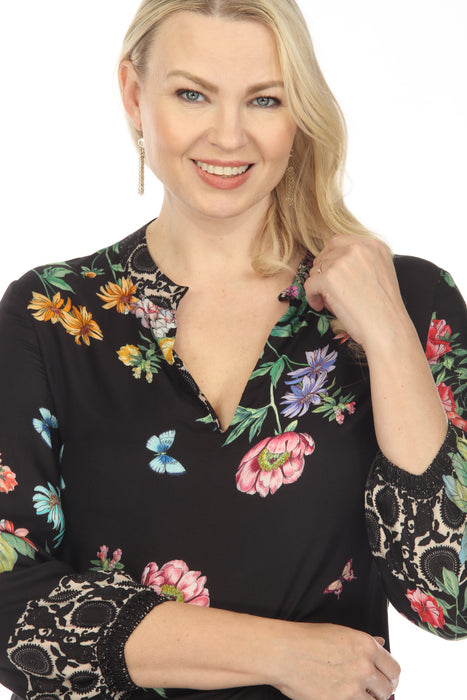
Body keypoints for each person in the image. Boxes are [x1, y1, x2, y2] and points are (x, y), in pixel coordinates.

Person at [0, 0, 466, 698]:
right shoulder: (53, 315)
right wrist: (282, 655)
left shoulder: (405, 299)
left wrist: (389, 334)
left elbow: (450, 597)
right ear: (133, 93)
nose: (227, 135)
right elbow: (10, 606)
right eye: (192, 94)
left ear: (298, 112)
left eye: (264, 99)